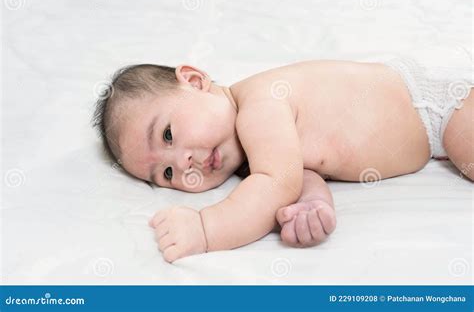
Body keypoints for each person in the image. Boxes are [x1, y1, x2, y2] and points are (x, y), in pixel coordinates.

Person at [92, 57, 473, 262]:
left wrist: (206, 229)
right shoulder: (249, 156)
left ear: (194, 81)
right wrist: (310, 207)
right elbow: (297, 177)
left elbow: (278, 182)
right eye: (167, 172)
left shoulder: (258, 105)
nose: (185, 161)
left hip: (439, 104)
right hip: (433, 124)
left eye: (169, 135)